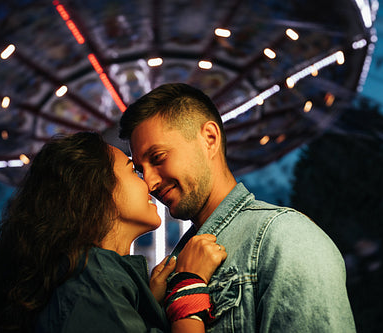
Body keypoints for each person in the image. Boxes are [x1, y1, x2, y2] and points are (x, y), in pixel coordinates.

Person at [119, 83, 356, 332]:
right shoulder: (172, 270)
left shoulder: (284, 237)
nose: (150, 183)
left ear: (209, 139)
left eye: (158, 158)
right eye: (140, 170)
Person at [0, 131, 227, 333]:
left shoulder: (88, 278)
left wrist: (144, 304)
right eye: (133, 171)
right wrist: (188, 287)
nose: (149, 183)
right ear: (98, 191)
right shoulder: (90, 281)